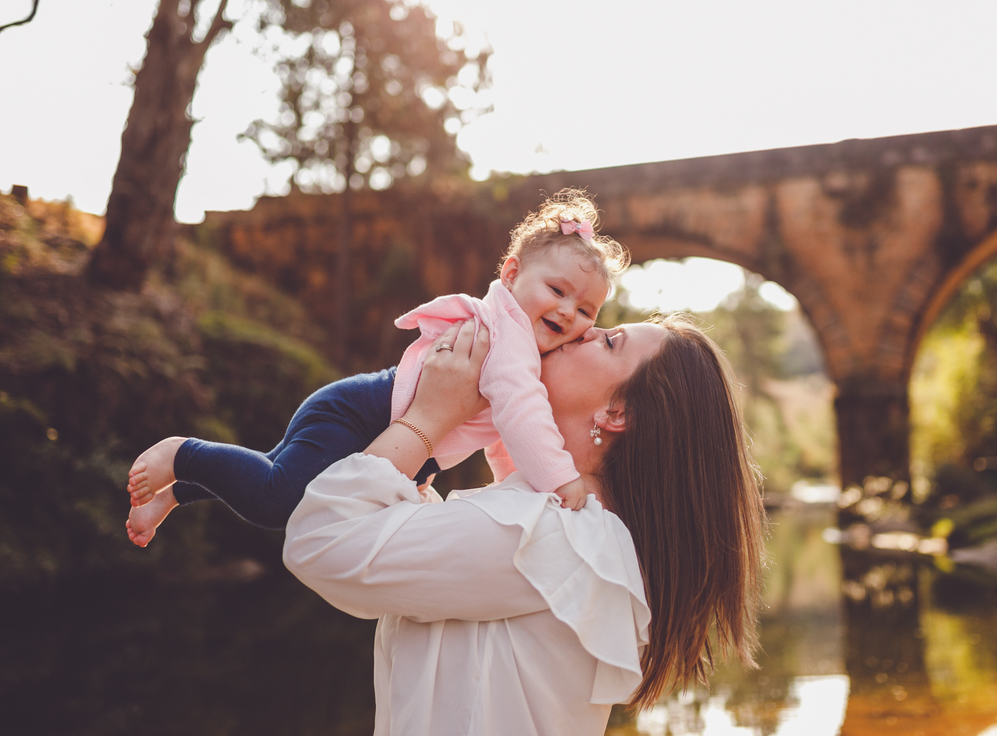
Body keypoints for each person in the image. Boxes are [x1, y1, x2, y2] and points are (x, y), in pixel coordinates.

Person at [284, 314, 767, 734]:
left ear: (617, 413)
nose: (586, 329)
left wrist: (428, 417)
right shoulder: (578, 533)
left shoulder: (544, 534)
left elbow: (320, 540)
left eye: (609, 342)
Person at [125, 190, 629, 547]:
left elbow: (503, 432)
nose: (569, 312)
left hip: (371, 420)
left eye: (586, 310)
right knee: (279, 502)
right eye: (557, 291)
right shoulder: (510, 338)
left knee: (274, 471)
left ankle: (176, 494)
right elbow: (523, 417)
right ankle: (182, 454)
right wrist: (561, 482)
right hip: (360, 416)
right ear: (512, 274)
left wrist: (513, 484)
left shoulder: (523, 353)